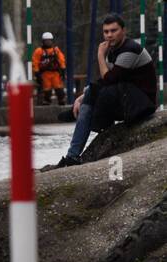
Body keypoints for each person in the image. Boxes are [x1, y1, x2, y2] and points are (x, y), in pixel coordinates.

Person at [59, 14, 156, 166]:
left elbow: (110, 79)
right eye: (106, 32)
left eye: (113, 30)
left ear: (123, 31)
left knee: (104, 91)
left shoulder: (130, 49)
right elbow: (107, 80)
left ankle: (98, 124)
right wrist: (82, 96)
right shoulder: (112, 51)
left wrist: (100, 56)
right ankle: (72, 155)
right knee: (93, 91)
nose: (109, 35)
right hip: (125, 98)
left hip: (141, 104)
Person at [31, 32, 67, 105]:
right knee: (47, 88)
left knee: (59, 87)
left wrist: (63, 69)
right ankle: (46, 101)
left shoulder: (56, 50)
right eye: (46, 41)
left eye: (50, 40)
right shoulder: (39, 51)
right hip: (45, 73)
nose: (48, 42)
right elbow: (35, 62)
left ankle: (61, 100)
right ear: (43, 41)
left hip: (55, 73)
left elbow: (61, 59)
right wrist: (37, 73)